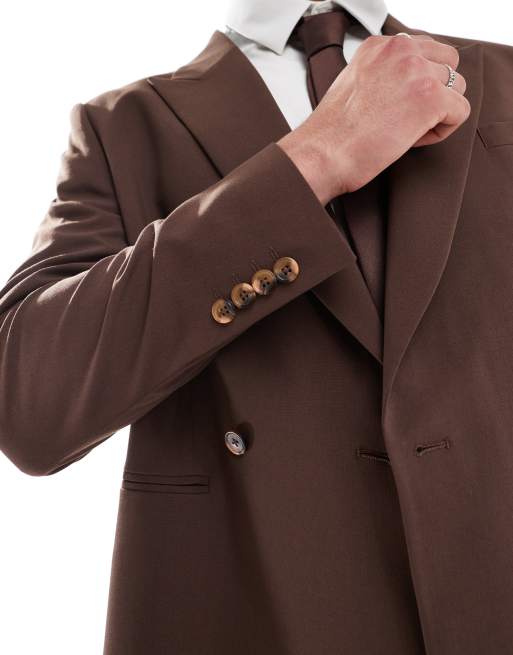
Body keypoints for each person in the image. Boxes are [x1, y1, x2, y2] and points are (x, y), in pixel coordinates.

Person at [1, 0, 512, 652]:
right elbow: (29, 406)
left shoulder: (503, 76)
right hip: (262, 610)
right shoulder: (123, 125)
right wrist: (313, 158)